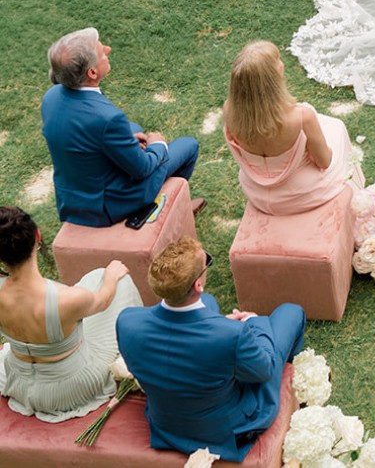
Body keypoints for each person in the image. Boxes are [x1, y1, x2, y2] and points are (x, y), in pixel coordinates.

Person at [116, 236, 305, 461]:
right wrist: (252, 323)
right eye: (207, 260)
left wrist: (218, 325)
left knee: (209, 301)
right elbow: (264, 369)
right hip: (226, 430)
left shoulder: (127, 321)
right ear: (197, 283)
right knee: (291, 312)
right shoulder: (233, 335)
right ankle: (292, 372)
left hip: (166, 425)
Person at [41, 28, 201, 227]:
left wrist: (127, 140)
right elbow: (142, 168)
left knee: (132, 127)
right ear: (92, 72)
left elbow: (85, 137)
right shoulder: (108, 119)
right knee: (188, 146)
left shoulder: (51, 97)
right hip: (107, 206)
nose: (108, 49)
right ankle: (170, 210)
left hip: (73, 197)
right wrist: (158, 145)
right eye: (102, 52)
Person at [0, 205, 140, 422]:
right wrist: (111, 276)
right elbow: (103, 301)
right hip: (69, 391)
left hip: (19, 383)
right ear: (37, 236)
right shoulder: (68, 298)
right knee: (110, 279)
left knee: (92, 282)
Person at [223, 41, 364, 216]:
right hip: (301, 196)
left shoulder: (229, 111)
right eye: (278, 60)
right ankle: (359, 197)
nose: (282, 63)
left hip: (257, 193)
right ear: (272, 78)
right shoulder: (302, 116)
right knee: (338, 129)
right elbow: (324, 161)